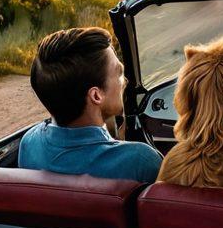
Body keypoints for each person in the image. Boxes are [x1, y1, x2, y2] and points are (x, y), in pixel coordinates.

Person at [18, 27, 161, 182]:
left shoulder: (29, 144)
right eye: (119, 73)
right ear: (96, 95)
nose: (125, 81)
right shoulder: (141, 162)